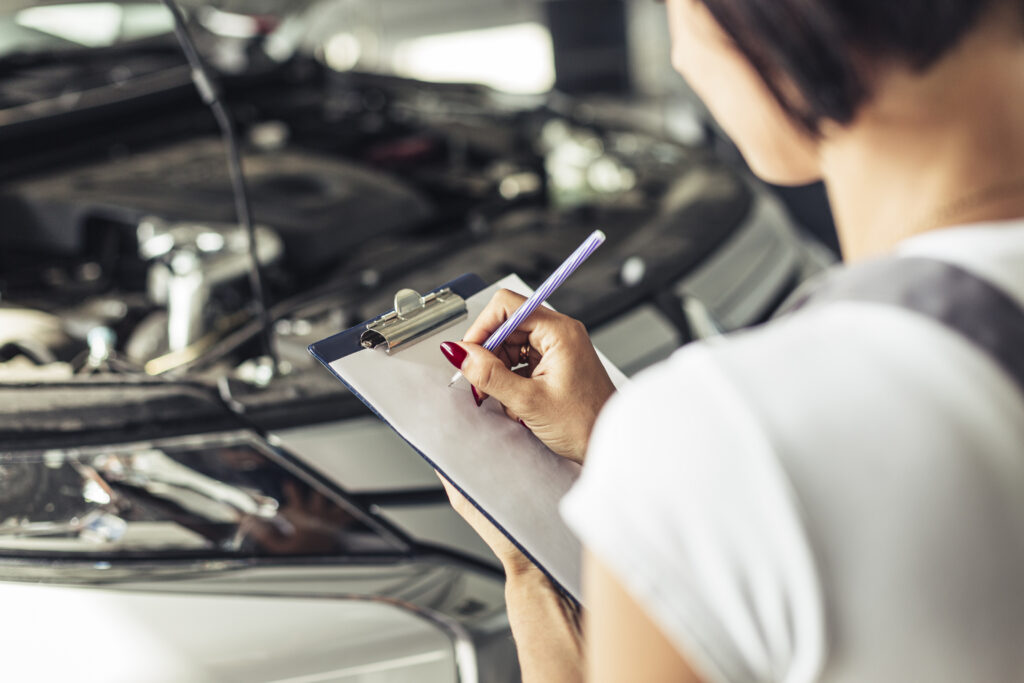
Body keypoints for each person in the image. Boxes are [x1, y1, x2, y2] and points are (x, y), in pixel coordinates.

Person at [436, 0, 1024, 681]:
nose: (683, 58)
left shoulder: (728, 434)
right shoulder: (722, 449)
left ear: (773, 27)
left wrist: (532, 569)